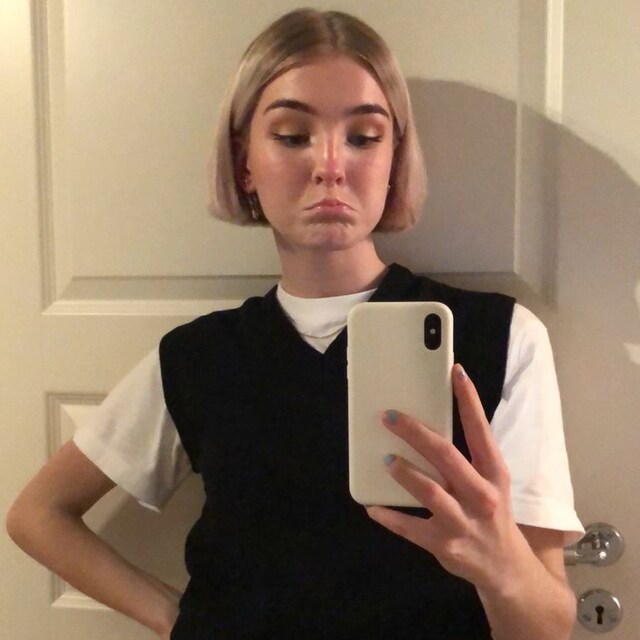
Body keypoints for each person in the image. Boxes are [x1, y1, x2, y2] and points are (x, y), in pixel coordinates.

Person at [6, 8, 583, 639]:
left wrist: (501, 565)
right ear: (245, 163)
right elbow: (38, 514)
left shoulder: (500, 338)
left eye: (364, 137)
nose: (330, 165)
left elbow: (549, 629)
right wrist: (181, 621)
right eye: (291, 134)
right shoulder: (200, 357)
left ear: (394, 160)